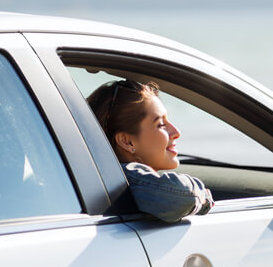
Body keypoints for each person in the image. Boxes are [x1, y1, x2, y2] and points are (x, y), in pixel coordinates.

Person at [86, 79, 213, 222]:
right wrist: (204, 197)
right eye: (161, 124)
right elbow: (184, 195)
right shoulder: (126, 179)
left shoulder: (95, 176)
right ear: (126, 141)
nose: (176, 132)